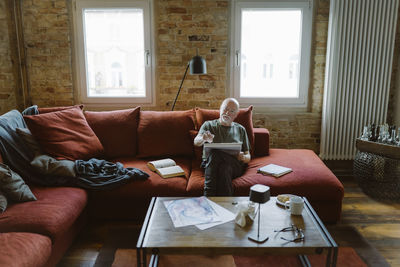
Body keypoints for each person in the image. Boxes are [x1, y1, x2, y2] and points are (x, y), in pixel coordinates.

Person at [194, 98, 250, 196]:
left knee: (216, 154)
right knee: (224, 168)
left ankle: (208, 195)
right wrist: (203, 138)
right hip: (210, 165)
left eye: (232, 111)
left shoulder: (240, 129)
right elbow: (196, 142)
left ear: (236, 115)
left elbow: (248, 155)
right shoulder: (209, 125)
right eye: (225, 109)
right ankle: (227, 205)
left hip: (234, 165)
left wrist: (244, 158)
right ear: (220, 109)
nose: (227, 113)